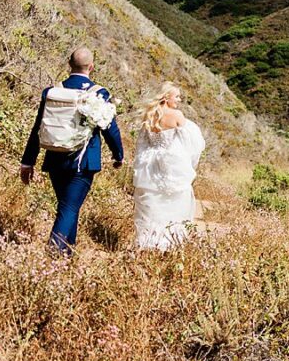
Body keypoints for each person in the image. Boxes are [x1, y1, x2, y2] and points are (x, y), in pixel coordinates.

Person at [20, 47, 123, 253]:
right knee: (68, 208)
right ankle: (53, 253)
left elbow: (38, 126)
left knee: (68, 207)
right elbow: (109, 128)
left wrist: (28, 161)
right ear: (91, 67)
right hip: (83, 161)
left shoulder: (53, 92)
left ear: (69, 65)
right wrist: (118, 154)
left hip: (54, 157)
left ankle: (66, 255)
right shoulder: (98, 93)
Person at [132, 81, 205, 250]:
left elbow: (142, 143)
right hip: (171, 164)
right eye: (177, 96)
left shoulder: (149, 114)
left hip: (149, 164)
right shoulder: (177, 115)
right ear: (166, 97)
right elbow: (192, 143)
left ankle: (149, 241)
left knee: (152, 203)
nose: (179, 99)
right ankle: (169, 243)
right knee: (173, 202)